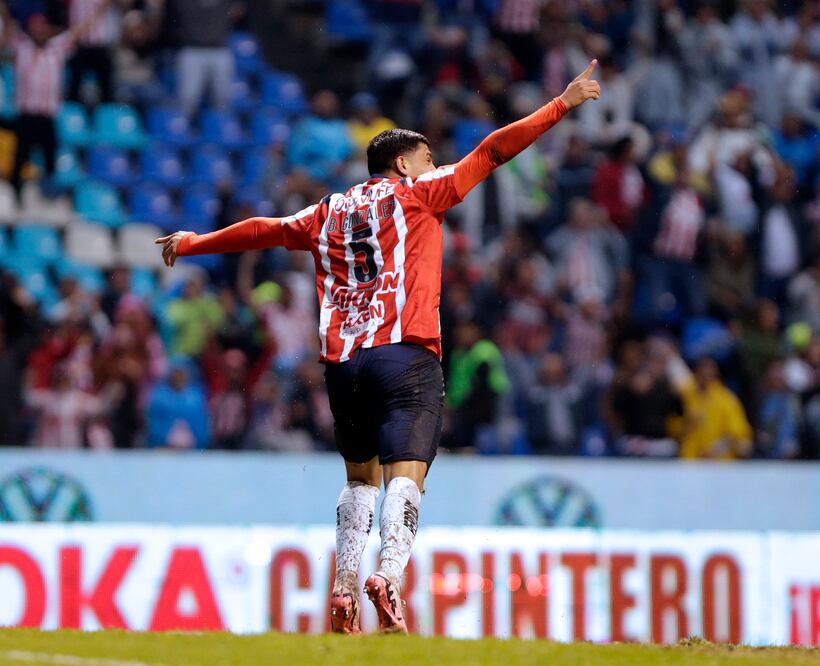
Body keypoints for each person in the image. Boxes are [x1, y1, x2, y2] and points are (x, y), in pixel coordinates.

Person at [155, 61, 602, 634]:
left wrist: (194, 242)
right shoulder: (420, 194)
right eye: (427, 157)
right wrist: (561, 103)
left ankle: (343, 588)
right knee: (406, 477)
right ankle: (387, 578)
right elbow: (492, 151)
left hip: (344, 365)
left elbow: (264, 228)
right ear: (402, 164)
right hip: (406, 354)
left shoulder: (327, 212)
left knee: (358, 480)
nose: (435, 165)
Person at [0, 0, 111, 198]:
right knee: (20, 159)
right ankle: (16, 195)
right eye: (35, 28)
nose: (39, 32)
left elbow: (80, 30)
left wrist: (100, 9)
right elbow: (8, 25)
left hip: (48, 117)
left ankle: (48, 197)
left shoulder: (57, 48)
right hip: (26, 115)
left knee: (50, 160)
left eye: (42, 28)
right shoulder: (21, 48)